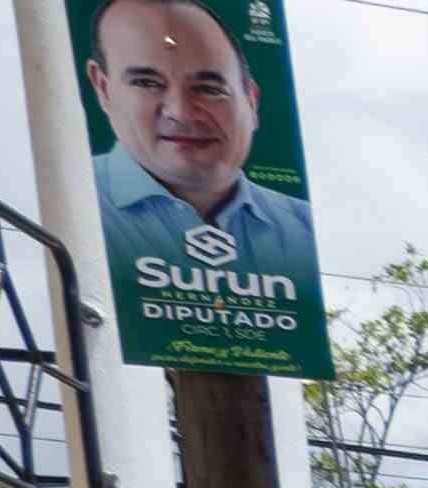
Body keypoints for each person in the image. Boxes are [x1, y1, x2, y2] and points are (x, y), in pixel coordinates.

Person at [85, 2, 322, 346]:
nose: (180, 113)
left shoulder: (299, 229)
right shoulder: (80, 210)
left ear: (251, 100)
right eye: (147, 82)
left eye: (209, 88)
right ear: (102, 87)